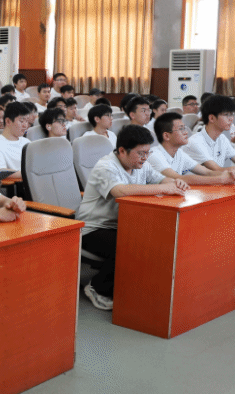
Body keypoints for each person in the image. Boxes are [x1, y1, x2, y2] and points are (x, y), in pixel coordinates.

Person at [78, 125, 188, 310]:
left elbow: (160, 179)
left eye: (147, 153)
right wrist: (164, 188)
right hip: (93, 228)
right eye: (141, 153)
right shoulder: (106, 167)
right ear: (122, 151)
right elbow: (120, 191)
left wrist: (176, 182)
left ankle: (135, 288)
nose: (145, 158)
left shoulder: (140, 165)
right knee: (132, 245)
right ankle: (97, 287)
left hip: (122, 223)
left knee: (153, 240)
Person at [148, 112, 235, 184]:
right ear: (166, 136)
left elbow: (207, 172)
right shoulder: (155, 155)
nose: (186, 132)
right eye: (181, 129)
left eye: (185, 128)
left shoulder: (179, 153)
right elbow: (179, 178)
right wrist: (220, 179)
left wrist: (229, 173)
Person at [0, 101, 30, 180]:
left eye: (27, 121)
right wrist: (30, 173)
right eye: (21, 121)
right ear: (8, 121)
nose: (25, 125)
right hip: (19, 185)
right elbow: (0, 172)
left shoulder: (27, 142)